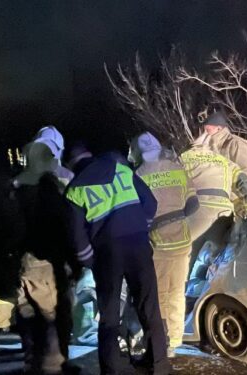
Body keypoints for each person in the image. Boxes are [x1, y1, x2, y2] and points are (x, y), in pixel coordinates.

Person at [64, 143, 171, 375]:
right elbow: (150, 203)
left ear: (72, 166)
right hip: (138, 246)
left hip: (107, 254)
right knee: (149, 306)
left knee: (110, 315)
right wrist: (140, 228)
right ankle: (159, 364)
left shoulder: (74, 190)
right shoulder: (121, 170)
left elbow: (77, 237)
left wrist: (90, 262)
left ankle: (112, 367)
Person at [0, 133, 82, 375]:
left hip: (19, 263)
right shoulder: (50, 188)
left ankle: (31, 363)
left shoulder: (14, 186)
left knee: (27, 318)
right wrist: (75, 261)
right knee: (53, 317)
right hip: (46, 264)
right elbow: (66, 226)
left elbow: (3, 226)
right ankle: (54, 364)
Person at [129, 132, 199, 357]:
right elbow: (193, 205)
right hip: (182, 240)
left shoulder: (138, 174)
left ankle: (161, 341)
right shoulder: (176, 168)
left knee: (158, 294)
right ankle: (175, 339)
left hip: (156, 243)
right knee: (177, 291)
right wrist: (176, 216)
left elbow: (136, 214)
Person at [181, 137, 247, 262]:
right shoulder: (223, 161)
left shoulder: (182, 159)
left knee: (186, 259)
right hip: (223, 214)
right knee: (220, 260)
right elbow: (245, 183)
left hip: (196, 214)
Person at [200, 110, 247, 215]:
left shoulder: (237, 144)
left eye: (207, 129)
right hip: (225, 203)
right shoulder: (207, 148)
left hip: (242, 199)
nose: (203, 133)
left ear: (218, 128)